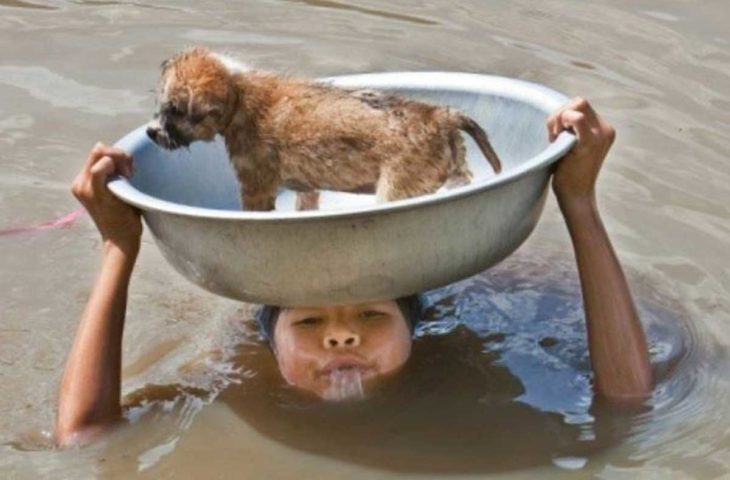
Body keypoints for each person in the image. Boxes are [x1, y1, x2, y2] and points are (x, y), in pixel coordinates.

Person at [54, 98, 652, 448]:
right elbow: (82, 436)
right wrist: (118, 249)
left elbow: (628, 402)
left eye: (372, 314)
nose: (342, 336)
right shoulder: (235, 381)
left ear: (418, 326)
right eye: (309, 320)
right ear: (269, 340)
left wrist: (579, 202)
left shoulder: (469, 359)